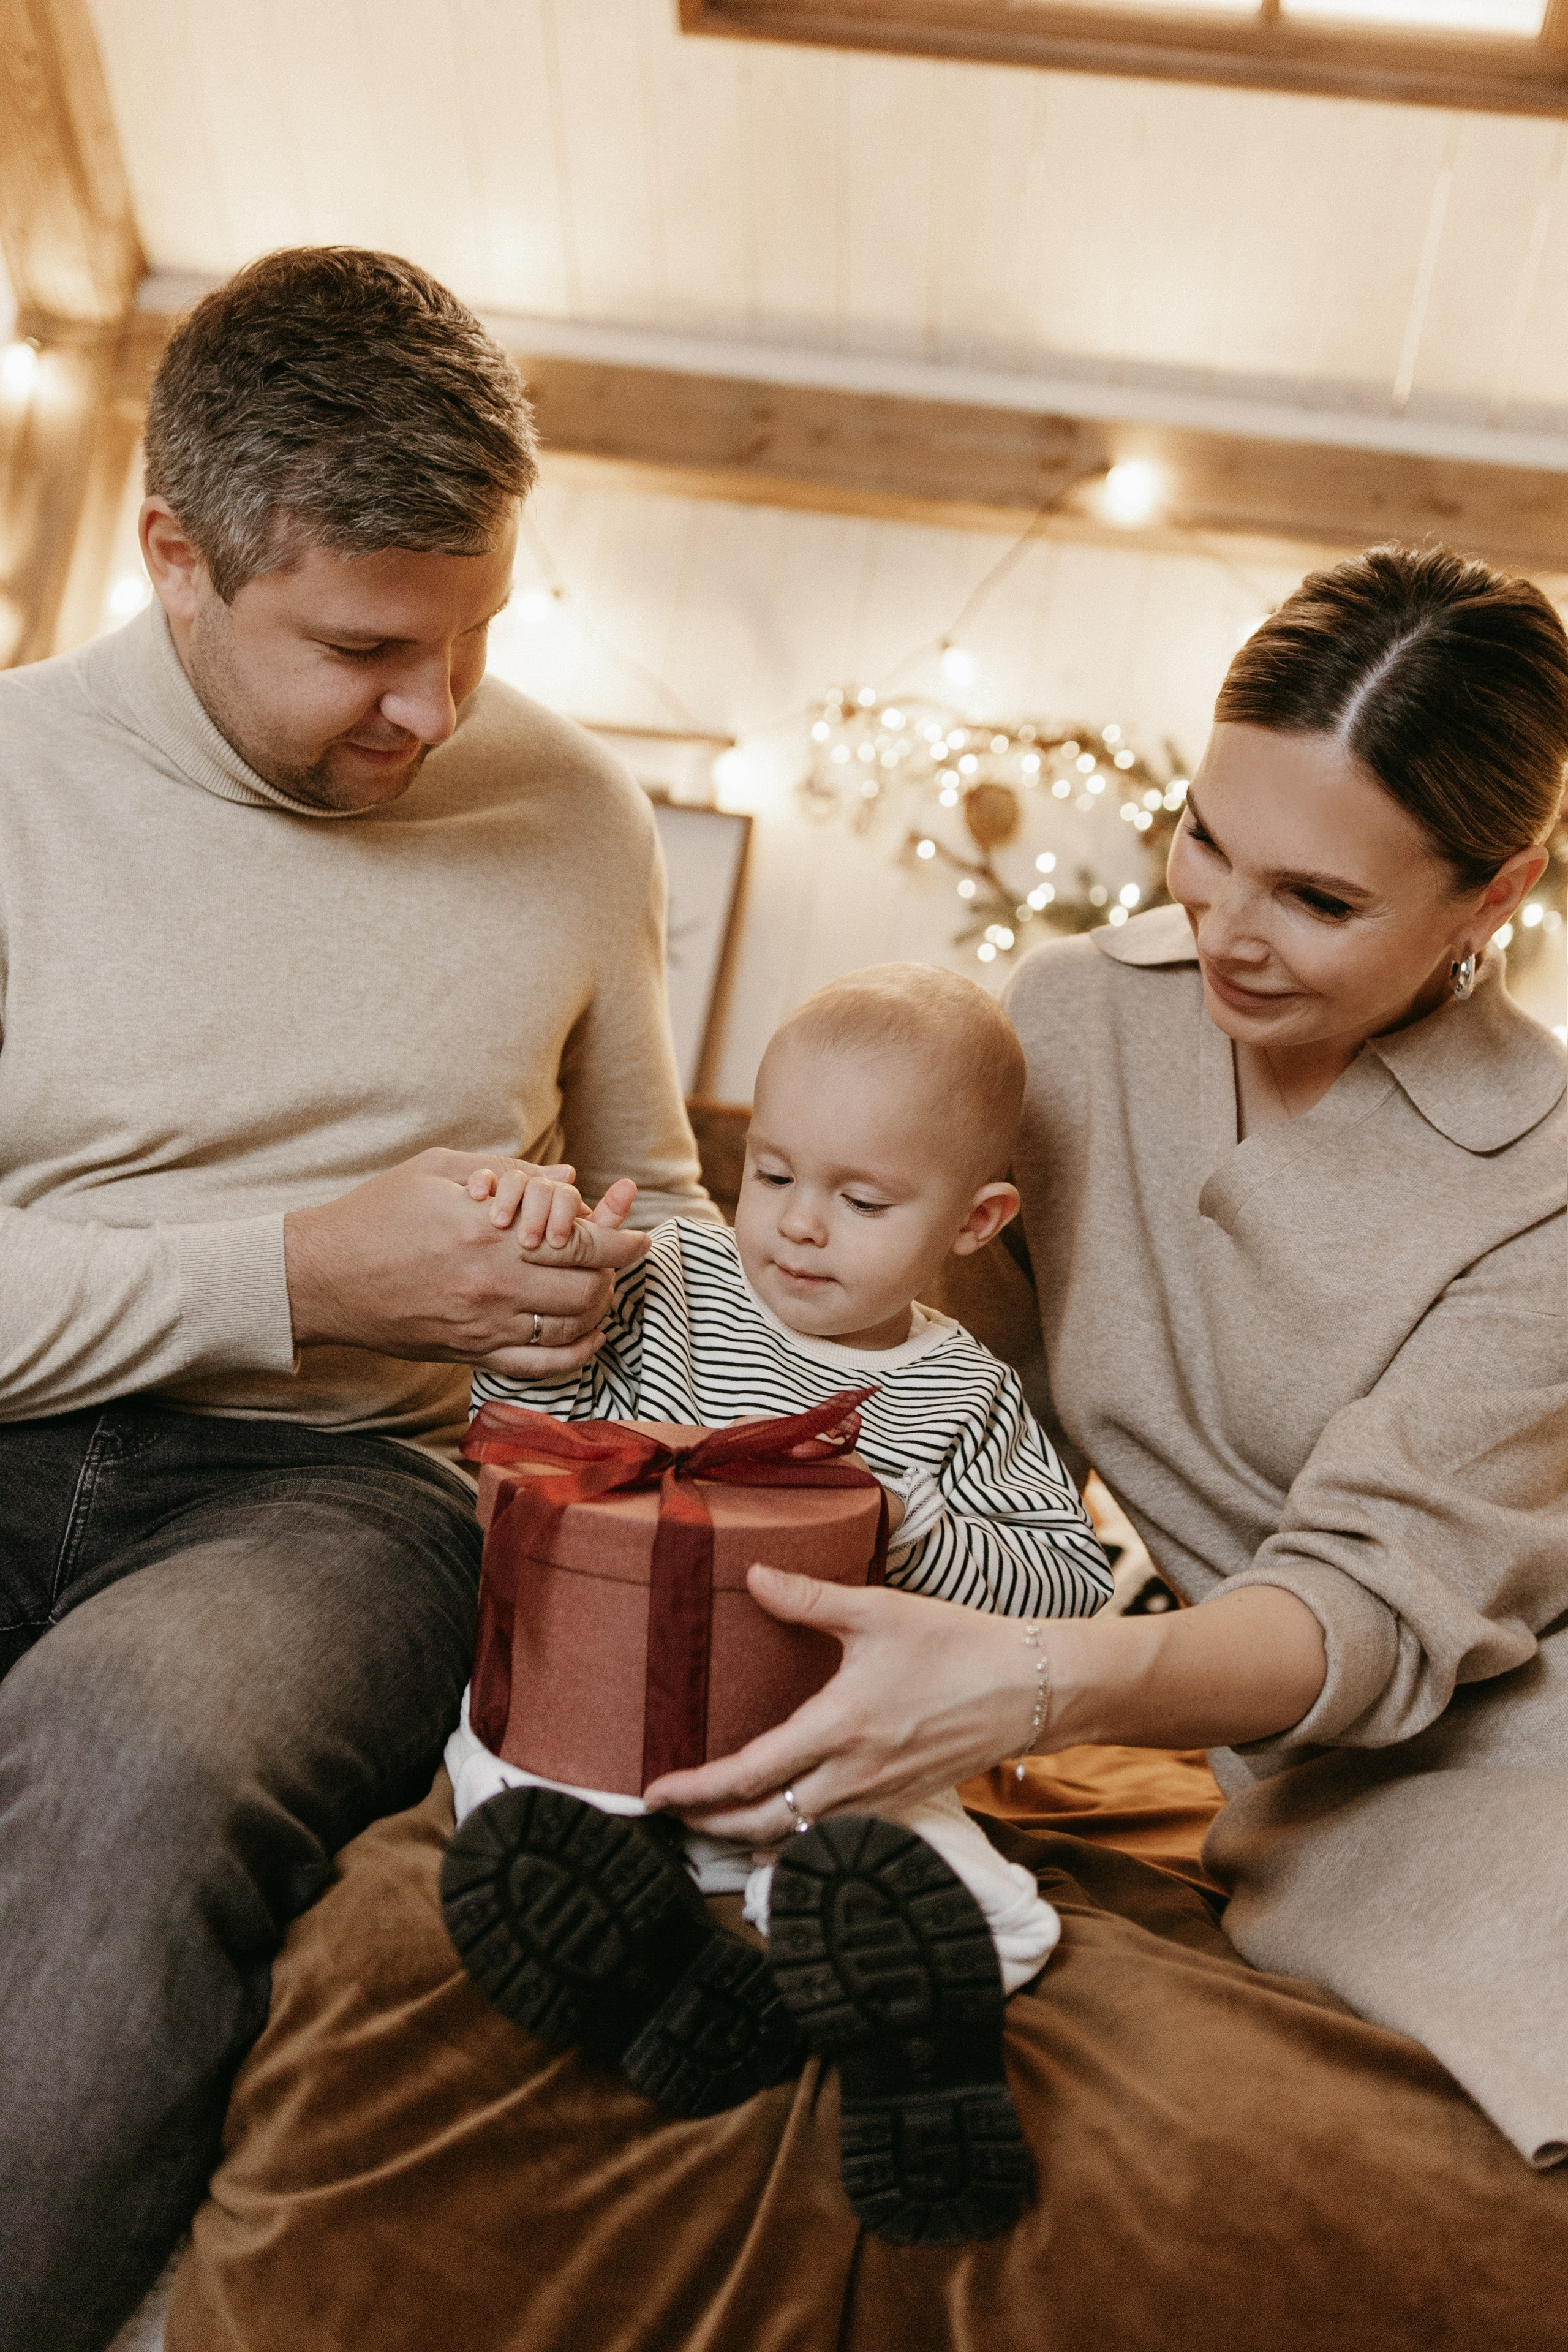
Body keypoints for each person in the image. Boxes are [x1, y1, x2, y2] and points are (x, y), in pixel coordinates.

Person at [163, 543, 1568, 2352]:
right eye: (1204, 839)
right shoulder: (1079, 1023)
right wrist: (608, 1334)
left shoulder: (1542, 1188)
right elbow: (911, 1391)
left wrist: (1033, 1686)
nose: (1223, 924)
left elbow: (1372, 1612)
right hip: (1205, 1720)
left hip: (1485, 1742)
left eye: (1314, 898)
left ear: (1492, 896)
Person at [0, 246, 716, 2352]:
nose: (438, 708)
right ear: (179, 559)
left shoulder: (574, 816)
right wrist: (308, 1272)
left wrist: (601, 1299)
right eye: (366, 648)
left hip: (343, 1497)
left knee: (140, 1744)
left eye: (478, 635)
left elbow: (664, 1209)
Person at [440, 966, 1111, 2247]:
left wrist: (904, 1526)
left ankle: (920, 2065)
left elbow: (1067, 1590)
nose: (800, 1226)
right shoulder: (668, 1284)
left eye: (862, 1202)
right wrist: (545, 1327)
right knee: (512, 1787)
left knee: (924, 1871)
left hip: (832, 1741)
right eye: (774, 1172)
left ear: (976, 1221)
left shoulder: (962, 1396)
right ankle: (659, 1973)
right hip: (610, 1700)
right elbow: (520, 1442)